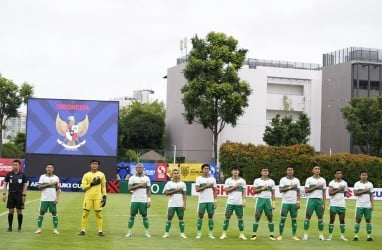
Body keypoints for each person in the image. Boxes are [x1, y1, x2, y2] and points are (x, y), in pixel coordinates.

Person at [78, 159, 107, 236]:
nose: (94, 165)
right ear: (90, 165)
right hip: (88, 197)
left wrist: (104, 197)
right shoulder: (86, 175)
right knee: (85, 213)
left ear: (98, 166)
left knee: (99, 214)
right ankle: (83, 230)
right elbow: (83, 187)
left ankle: (100, 231)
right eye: (93, 164)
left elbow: (103, 186)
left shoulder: (101, 175)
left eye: (96, 164)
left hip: (98, 197)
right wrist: (92, 184)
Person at [219, 166, 247, 240]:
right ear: (231, 172)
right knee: (227, 217)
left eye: (237, 170)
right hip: (230, 202)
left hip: (239, 203)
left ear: (239, 172)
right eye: (234, 170)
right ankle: (224, 234)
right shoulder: (228, 180)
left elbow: (244, 192)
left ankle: (241, 234)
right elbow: (226, 190)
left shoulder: (242, 181)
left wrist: (244, 201)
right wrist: (235, 187)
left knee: (240, 218)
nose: (235, 172)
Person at [126, 163, 152, 238]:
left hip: (143, 201)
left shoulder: (147, 178)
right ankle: (129, 232)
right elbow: (129, 188)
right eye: (138, 168)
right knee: (132, 216)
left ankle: (147, 232)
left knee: (144, 216)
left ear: (143, 169)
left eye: (141, 168)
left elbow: (149, 190)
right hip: (134, 200)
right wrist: (139, 185)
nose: (139, 169)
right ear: (136, 169)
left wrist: (149, 200)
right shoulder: (132, 178)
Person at [35, 163, 61, 235]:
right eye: (48, 167)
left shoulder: (56, 178)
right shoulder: (42, 177)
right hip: (44, 199)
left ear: (53, 169)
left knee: (54, 213)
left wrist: (57, 198)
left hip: (52, 199)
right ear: (46, 169)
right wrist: (48, 184)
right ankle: (39, 229)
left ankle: (55, 230)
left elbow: (58, 189)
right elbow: (39, 187)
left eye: (51, 168)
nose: (49, 169)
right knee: (41, 213)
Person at [2, 159, 27, 232]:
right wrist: (4, 194)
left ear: (19, 165)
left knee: (19, 211)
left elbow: (25, 185)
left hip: (19, 195)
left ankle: (19, 227)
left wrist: (24, 195)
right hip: (11, 195)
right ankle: (10, 227)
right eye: (13, 165)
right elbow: (5, 184)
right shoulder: (9, 174)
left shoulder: (23, 175)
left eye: (16, 165)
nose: (14, 166)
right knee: (11, 211)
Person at [251, 167, 276, 241]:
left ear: (268, 172)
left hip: (268, 200)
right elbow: (254, 191)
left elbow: (273, 193)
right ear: (261, 172)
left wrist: (274, 203)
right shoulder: (257, 181)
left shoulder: (271, 181)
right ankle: (254, 234)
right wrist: (262, 188)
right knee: (257, 216)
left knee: (270, 217)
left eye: (267, 171)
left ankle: (271, 234)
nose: (265, 172)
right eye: (264, 171)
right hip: (260, 199)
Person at [162, 168, 187, 239]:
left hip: (180, 204)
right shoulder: (169, 184)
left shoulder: (182, 184)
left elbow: (184, 195)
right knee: (169, 218)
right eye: (174, 173)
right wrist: (176, 190)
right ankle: (166, 233)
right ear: (172, 175)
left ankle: (182, 233)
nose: (176, 175)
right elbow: (166, 193)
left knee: (181, 218)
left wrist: (184, 204)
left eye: (177, 173)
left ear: (179, 175)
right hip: (171, 204)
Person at [277, 166, 301, 241]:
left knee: (294, 219)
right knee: (283, 219)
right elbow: (281, 190)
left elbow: (298, 191)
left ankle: (294, 235)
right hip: (285, 202)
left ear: (293, 171)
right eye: (288, 170)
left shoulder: (297, 180)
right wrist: (290, 187)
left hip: (294, 203)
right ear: (286, 171)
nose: (290, 171)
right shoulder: (283, 180)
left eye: (291, 170)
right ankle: (280, 235)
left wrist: (298, 202)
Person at [303, 165, 327, 240]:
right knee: (308, 217)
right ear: (312, 171)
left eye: (318, 169)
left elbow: (324, 193)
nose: (317, 170)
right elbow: (306, 191)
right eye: (315, 169)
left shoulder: (323, 180)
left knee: (320, 217)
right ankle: (305, 235)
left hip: (319, 200)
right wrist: (316, 187)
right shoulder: (309, 179)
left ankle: (321, 235)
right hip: (311, 200)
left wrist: (324, 204)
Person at [195, 163, 217, 239]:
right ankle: (199, 233)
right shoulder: (199, 179)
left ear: (209, 170)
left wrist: (215, 201)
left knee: (211, 216)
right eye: (205, 168)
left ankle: (210, 234)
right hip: (202, 201)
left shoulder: (213, 179)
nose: (206, 170)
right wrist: (206, 186)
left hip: (210, 201)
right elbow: (197, 189)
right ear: (202, 170)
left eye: (208, 169)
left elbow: (215, 191)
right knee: (200, 216)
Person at [326, 169, 348, 241]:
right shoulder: (332, 183)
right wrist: (339, 189)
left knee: (342, 220)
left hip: (341, 204)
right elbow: (330, 193)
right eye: (337, 173)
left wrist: (340, 192)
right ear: (335, 175)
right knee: (332, 220)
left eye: (340, 173)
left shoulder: (344, 183)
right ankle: (330, 236)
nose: (339, 174)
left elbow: (345, 193)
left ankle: (342, 236)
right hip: (333, 204)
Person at [353, 170, 374, 241]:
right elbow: (355, 193)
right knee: (358, 220)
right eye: (363, 175)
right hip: (359, 205)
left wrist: (372, 205)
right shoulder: (357, 184)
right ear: (360, 176)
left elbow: (371, 196)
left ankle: (369, 236)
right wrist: (364, 191)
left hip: (368, 206)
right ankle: (356, 236)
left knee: (368, 220)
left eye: (365, 175)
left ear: (367, 176)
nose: (364, 176)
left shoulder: (370, 184)